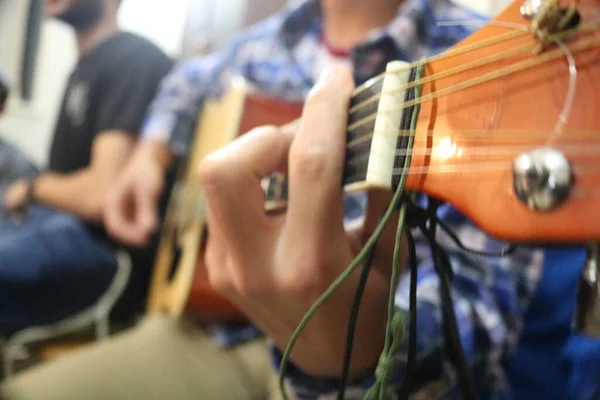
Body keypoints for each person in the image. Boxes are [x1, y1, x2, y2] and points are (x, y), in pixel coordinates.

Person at [1, 0, 594, 399]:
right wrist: (151, 151)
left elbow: (486, 329)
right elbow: (188, 81)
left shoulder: (487, 53)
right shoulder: (266, 39)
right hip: (206, 327)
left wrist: (361, 353)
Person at [0, 0, 173, 337]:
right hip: (53, 227)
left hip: (105, 251)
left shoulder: (133, 57)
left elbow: (102, 196)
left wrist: (32, 188)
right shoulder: (84, 68)